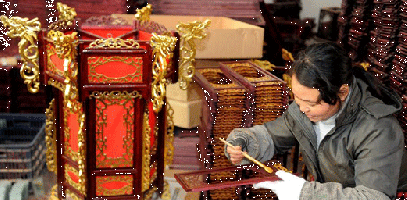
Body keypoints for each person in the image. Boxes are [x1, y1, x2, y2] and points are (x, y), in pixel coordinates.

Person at [224, 42, 407, 200]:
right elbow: (273, 136)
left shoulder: (378, 128)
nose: (301, 108)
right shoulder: (304, 109)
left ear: (341, 93)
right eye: (296, 97)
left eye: (310, 103)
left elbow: (373, 196)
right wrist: (245, 142)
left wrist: (304, 193)